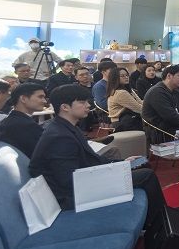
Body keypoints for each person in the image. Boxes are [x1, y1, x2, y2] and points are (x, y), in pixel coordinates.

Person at [28, 85, 166, 228]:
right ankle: (159, 225)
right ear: (65, 107)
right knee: (147, 175)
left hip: (84, 181)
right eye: (82, 102)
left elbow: (91, 160)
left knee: (140, 164)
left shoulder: (65, 127)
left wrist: (120, 162)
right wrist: (112, 172)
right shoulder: (60, 137)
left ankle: (152, 222)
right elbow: (70, 180)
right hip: (73, 195)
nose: (88, 105)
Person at [0, 83, 47, 157]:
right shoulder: (26, 125)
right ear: (23, 99)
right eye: (40, 97)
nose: (45, 101)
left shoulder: (7, 121)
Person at [106, 67, 144, 132]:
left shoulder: (127, 89)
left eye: (127, 75)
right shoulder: (121, 92)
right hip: (122, 123)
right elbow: (139, 109)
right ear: (115, 78)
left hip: (127, 120)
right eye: (122, 76)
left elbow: (140, 102)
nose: (126, 77)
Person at [74, 66, 98, 132]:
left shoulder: (97, 86)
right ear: (76, 77)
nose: (85, 76)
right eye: (81, 75)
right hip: (84, 111)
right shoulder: (74, 89)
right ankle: (84, 134)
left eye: (87, 74)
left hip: (98, 109)